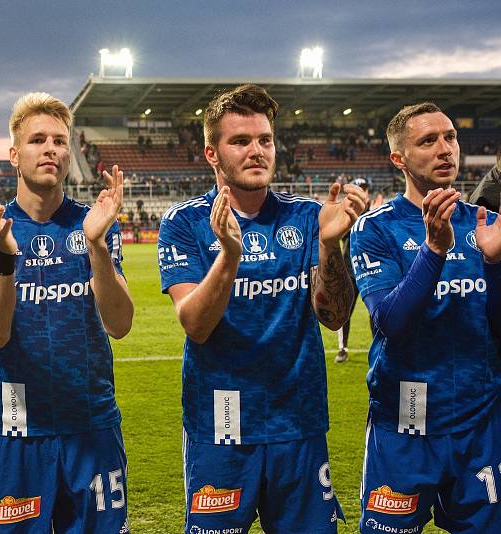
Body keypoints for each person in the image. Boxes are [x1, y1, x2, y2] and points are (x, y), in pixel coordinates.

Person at [158, 84, 366, 534]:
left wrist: (331, 246)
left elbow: (335, 318)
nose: (257, 151)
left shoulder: (308, 217)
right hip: (221, 425)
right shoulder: (184, 223)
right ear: (212, 153)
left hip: (299, 423)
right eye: (241, 141)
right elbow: (195, 325)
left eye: (265, 140)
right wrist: (228, 257)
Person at [0, 92, 133, 533]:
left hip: (91, 423)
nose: (52, 149)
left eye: (60, 140)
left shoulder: (93, 224)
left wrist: (96, 244)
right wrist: (4, 256)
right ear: (15, 155)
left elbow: (120, 323)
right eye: (38, 140)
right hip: (18, 429)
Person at [351, 102, 501, 533]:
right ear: (399, 158)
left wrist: (493, 264)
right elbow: (391, 323)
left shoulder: (488, 225)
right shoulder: (375, 229)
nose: (444, 149)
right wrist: (434, 251)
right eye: (428, 141)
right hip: (405, 426)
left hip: (481, 425)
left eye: (450, 137)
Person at [335, 176, 371, 363]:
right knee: (344, 313)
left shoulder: (375, 213)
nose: (363, 191)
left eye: (364, 188)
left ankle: (380, 347)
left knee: (377, 312)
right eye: (360, 188)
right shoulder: (346, 215)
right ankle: (343, 348)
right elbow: (340, 237)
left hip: (371, 272)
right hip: (349, 271)